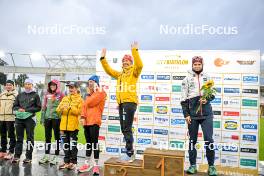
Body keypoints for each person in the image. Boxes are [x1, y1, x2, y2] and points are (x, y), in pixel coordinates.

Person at [100, 41, 143, 163]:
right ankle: (129, 152)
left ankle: (129, 153)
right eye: (124, 61)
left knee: (126, 128)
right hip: (122, 104)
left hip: (129, 103)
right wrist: (103, 58)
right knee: (124, 128)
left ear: (131, 62)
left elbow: (139, 65)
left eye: (127, 61)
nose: (125, 62)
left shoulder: (134, 72)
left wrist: (134, 51)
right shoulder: (120, 74)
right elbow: (108, 70)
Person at [180, 56, 217, 176]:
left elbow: (213, 93)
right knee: (192, 141)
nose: (197, 66)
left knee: (209, 140)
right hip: (193, 114)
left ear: (202, 65)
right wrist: (186, 114)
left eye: (199, 64)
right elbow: (183, 99)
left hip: (207, 114)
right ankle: (192, 165)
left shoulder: (208, 77)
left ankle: (211, 166)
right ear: (192, 65)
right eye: (195, 64)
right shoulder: (186, 79)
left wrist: (207, 98)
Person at [77, 75, 106, 175]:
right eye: (89, 81)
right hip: (87, 122)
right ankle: (86, 163)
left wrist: (88, 96)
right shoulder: (89, 94)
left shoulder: (101, 92)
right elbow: (84, 108)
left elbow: (90, 103)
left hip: (94, 121)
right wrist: (82, 117)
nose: (90, 83)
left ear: (96, 83)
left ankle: (96, 166)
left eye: (92, 81)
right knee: (88, 143)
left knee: (94, 143)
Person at [12, 78, 41, 164]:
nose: (27, 85)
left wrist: (27, 110)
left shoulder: (35, 95)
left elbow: (38, 107)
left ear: (32, 85)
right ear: (24, 85)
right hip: (19, 119)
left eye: (29, 84)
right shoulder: (20, 95)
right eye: (26, 84)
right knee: (19, 138)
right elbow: (14, 106)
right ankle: (17, 156)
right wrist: (19, 109)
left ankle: (28, 157)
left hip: (30, 119)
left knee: (30, 138)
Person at [57, 82, 83, 170]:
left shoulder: (80, 99)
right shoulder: (65, 98)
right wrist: (61, 108)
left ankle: (73, 162)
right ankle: (66, 162)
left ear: (77, 88)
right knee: (65, 145)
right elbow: (58, 110)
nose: (71, 89)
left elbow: (79, 112)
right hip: (63, 126)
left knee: (73, 145)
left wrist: (71, 107)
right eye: (69, 88)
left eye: (72, 87)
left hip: (73, 127)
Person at [39, 79, 64, 165]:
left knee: (57, 138)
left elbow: (63, 107)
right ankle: (47, 155)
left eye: (54, 85)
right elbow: (44, 106)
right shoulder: (47, 94)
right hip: (47, 118)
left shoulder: (61, 94)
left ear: (57, 85)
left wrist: (61, 117)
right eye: (51, 85)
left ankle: (56, 156)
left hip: (56, 119)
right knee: (47, 137)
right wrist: (42, 118)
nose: (52, 86)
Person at [0, 80, 18, 160]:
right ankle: (3, 150)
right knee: (3, 134)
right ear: (5, 86)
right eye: (7, 85)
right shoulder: (1, 95)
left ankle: (11, 151)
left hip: (11, 118)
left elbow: (18, 106)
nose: (8, 86)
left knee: (11, 135)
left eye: (10, 85)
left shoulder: (16, 95)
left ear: (13, 86)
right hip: (1, 117)